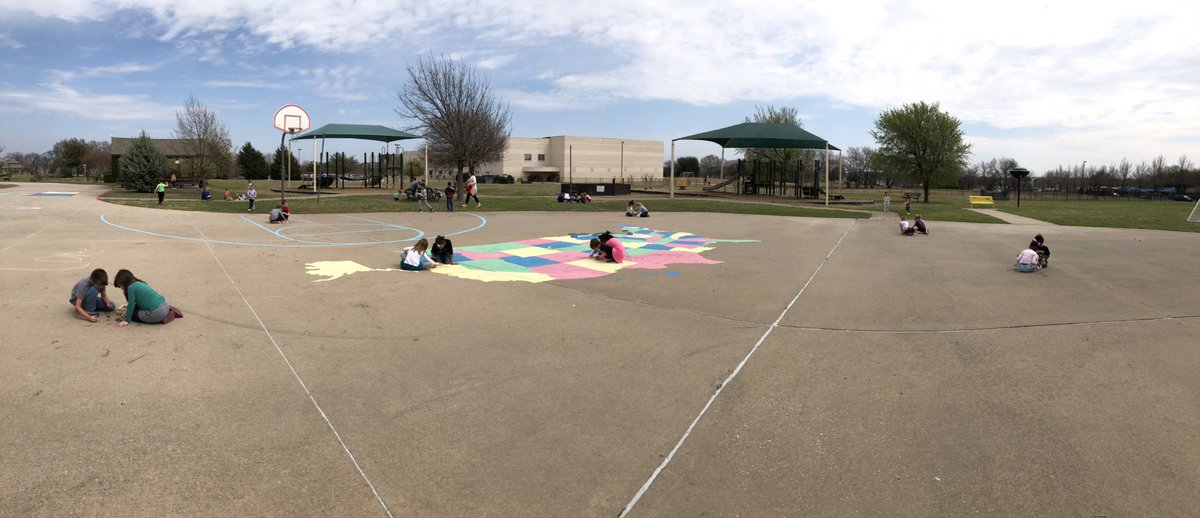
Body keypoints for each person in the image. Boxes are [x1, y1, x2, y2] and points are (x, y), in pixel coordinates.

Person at [113, 269, 183, 326]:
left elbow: (131, 305)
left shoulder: (131, 288)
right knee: (135, 311)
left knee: (134, 315)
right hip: (165, 305)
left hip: (156, 313)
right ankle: (168, 312)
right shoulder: (139, 283)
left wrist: (127, 320)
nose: (121, 288)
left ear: (124, 282)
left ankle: (162, 318)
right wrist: (128, 311)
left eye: (120, 286)